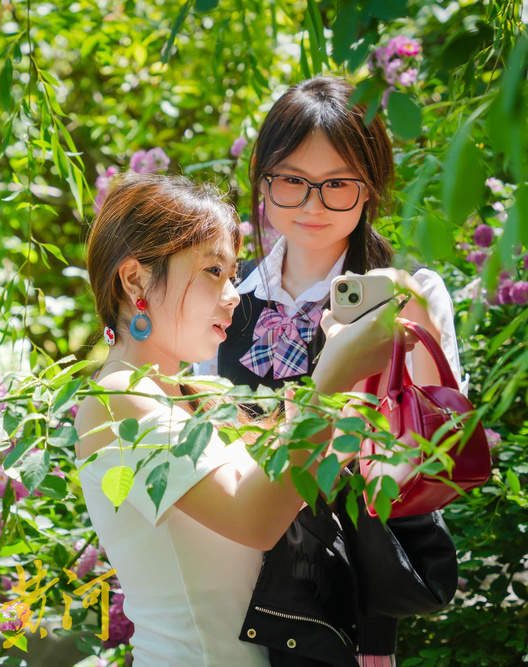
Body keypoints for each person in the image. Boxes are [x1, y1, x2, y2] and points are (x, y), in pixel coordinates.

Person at [73, 172, 407, 667]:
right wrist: (329, 380)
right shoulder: (117, 398)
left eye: (232, 275)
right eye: (213, 271)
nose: (233, 294)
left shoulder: (193, 394)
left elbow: (293, 485)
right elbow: (254, 519)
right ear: (135, 278)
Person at [207, 77, 461, 665]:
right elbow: (196, 421)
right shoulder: (222, 293)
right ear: (263, 181)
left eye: (337, 184)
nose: (312, 205)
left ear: (370, 187)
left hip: (342, 593)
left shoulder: (410, 292)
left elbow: (428, 448)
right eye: (292, 181)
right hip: (230, 575)